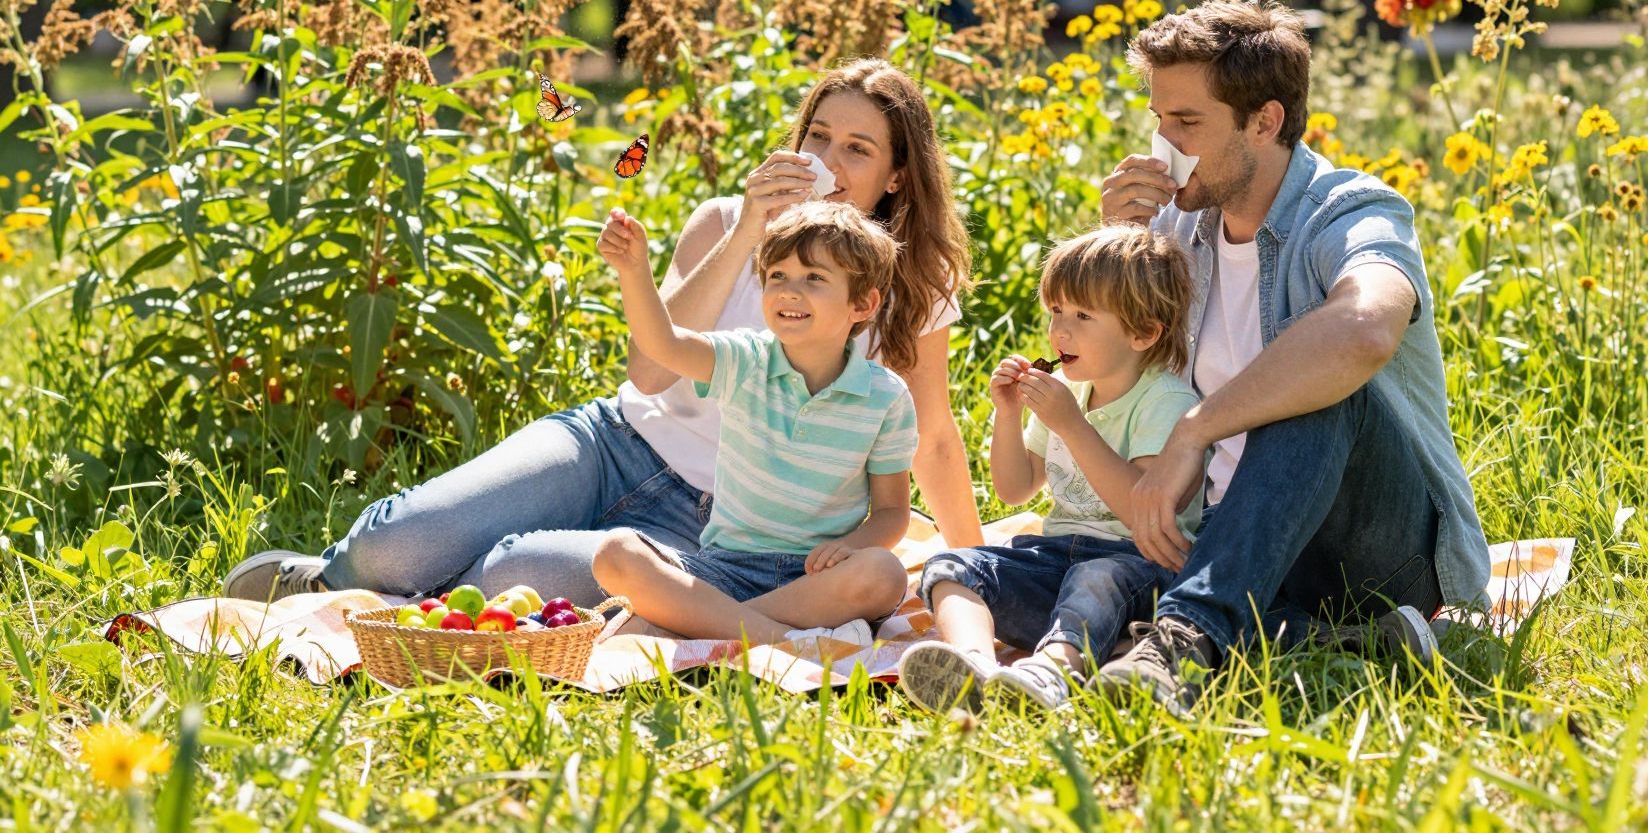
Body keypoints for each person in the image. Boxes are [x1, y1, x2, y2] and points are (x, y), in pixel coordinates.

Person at [222, 60, 977, 604]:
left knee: (507, 578)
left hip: (719, 532)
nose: (826, 162)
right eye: (818, 135)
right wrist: (750, 227)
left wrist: (977, 568)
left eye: (857, 149)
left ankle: (406, 608)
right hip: (613, 446)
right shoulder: (725, 222)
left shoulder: (909, 287)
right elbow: (650, 374)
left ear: (897, 176)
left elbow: (935, 438)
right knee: (398, 544)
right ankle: (331, 581)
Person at [1092, 0, 1491, 714]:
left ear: (1265, 122)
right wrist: (1113, 260)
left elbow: (1365, 329)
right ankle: (1354, 644)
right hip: (1236, 543)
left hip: (1379, 549)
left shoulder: (1351, 209)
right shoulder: (1174, 228)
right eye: (1158, 119)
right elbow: (1103, 379)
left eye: (1187, 123)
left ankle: (1183, 639)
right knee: (1024, 580)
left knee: (1315, 381)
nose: (1162, 143)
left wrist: (1197, 429)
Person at [899, 226, 1198, 714]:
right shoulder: (1071, 393)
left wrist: (1073, 426)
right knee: (952, 566)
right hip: (1057, 561)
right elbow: (1015, 488)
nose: (1060, 330)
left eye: (1083, 316)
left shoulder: (1166, 403)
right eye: (1056, 310)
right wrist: (1009, 413)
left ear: (1143, 332)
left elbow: (1144, 511)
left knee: (1096, 578)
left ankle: (1054, 670)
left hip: (1135, 570)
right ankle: (973, 665)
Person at [590, 201, 914, 647]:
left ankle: (705, 626)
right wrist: (633, 271)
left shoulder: (886, 397)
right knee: (616, 554)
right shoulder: (744, 360)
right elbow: (662, 345)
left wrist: (853, 547)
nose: (789, 291)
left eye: (814, 278)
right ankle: (787, 642)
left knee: (885, 573)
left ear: (863, 303)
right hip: (722, 570)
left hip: (816, 581)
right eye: (777, 275)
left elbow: (893, 512)